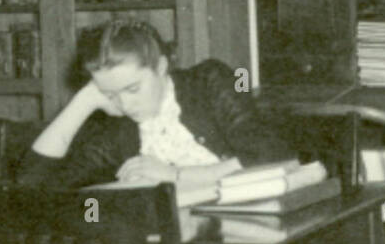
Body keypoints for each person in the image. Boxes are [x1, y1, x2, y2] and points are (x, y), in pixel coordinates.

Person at [19, 19, 298, 189]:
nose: (125, 104)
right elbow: (33, 185)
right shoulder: (120, 126)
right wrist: (85, 100)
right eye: (111, 93)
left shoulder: (208, 82)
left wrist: (175, 175)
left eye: (133, 88)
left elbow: (273, 155)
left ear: (161, 67)